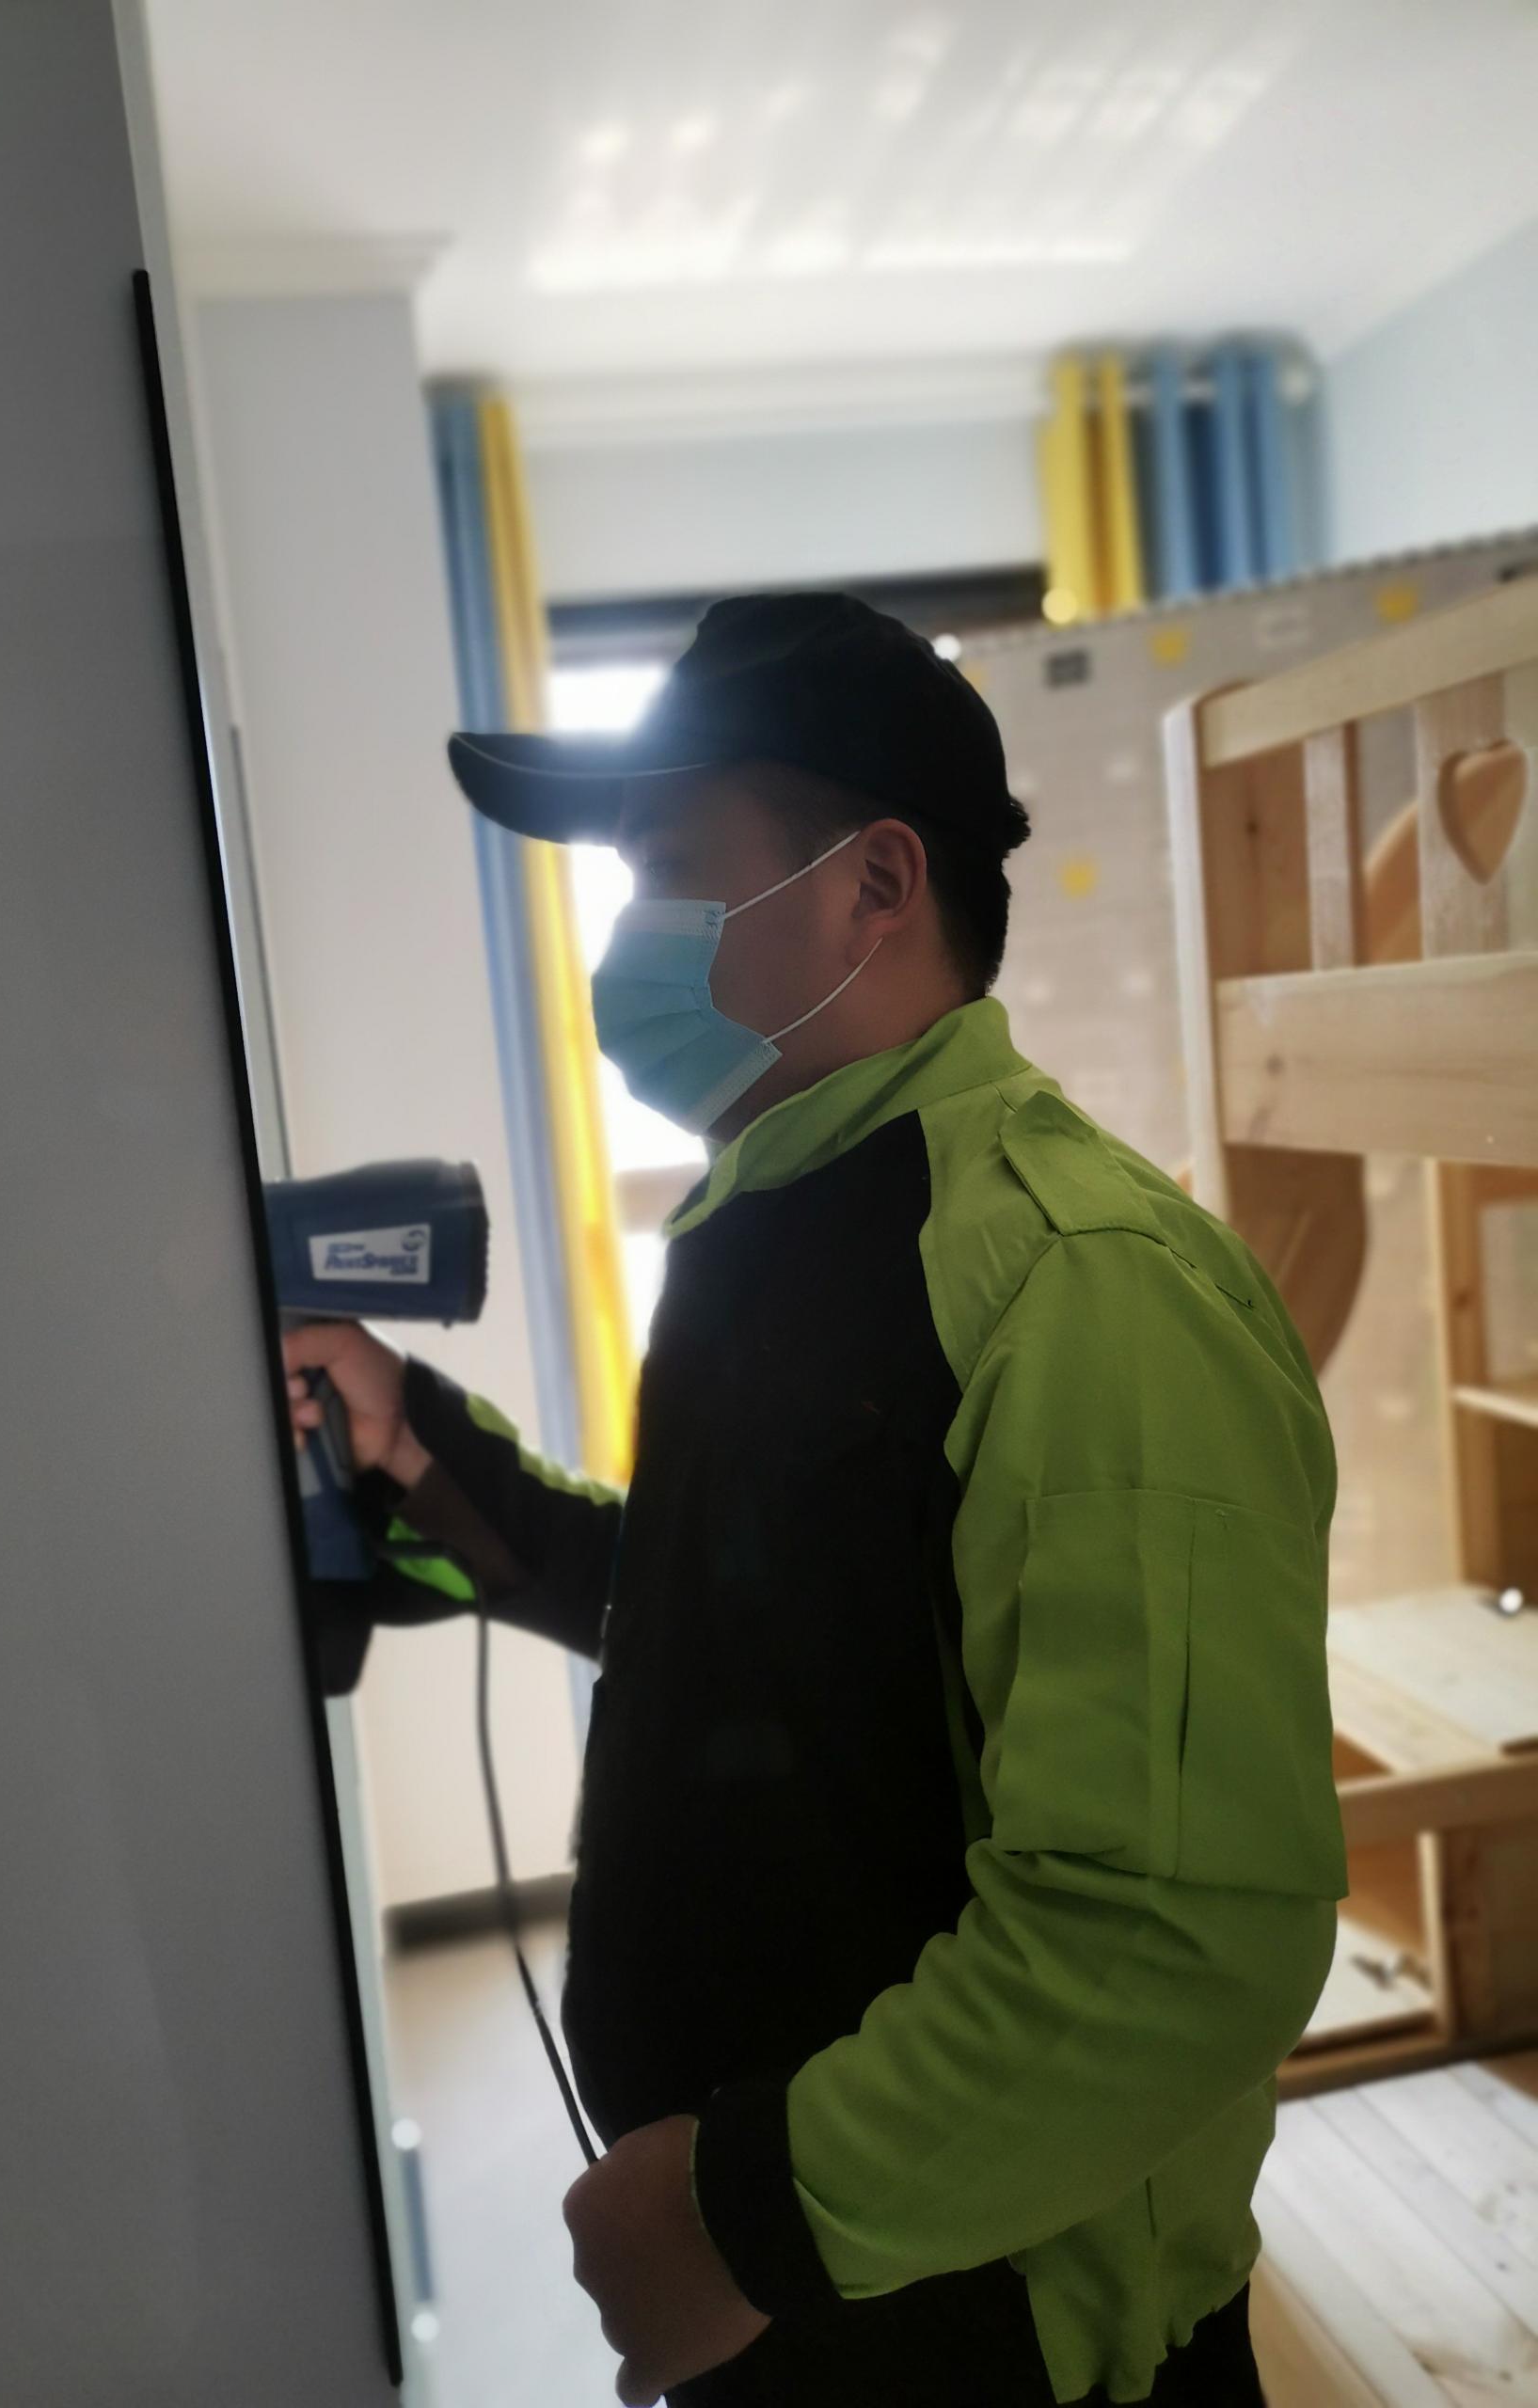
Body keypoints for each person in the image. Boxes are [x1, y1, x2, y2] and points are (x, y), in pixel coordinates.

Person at [282, 592, 1347, 2407]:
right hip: (817, 2290)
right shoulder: (780, 1218)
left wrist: (746, 2220)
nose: (627, 938)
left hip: (984, 2330)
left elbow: (1171, 1935)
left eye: (668, 868)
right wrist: (416, 1450)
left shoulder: (1082, 1284)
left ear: (876, 885)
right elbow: (733, 1630)